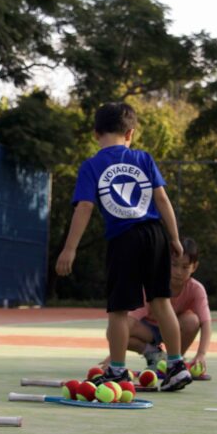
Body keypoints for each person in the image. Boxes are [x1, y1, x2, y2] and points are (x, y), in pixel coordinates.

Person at [55, 102, 192, 392]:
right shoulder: (143, 158)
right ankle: (178, 366)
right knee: (161, 301)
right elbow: (162, 199)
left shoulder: (92, 165)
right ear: (130, 133)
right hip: (154, 234)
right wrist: (175, 237)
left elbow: (84, 207)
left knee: (118, 310)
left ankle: (117, 371)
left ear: (95, 134)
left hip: (123, 238)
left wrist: (70, 248)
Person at [100, 238, 213, 375]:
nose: (178, 272)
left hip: (174, 330)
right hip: (148, 331)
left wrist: (201, 354)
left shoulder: (196, 289)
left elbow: (206, 323)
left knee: (192, 321)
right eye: (174, 265)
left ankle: (175, 360)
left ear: (194, 267)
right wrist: (115, 357)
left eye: (185, 267)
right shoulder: (153, 285)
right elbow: (129, 321)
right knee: (116, 329)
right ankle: (153, 353)